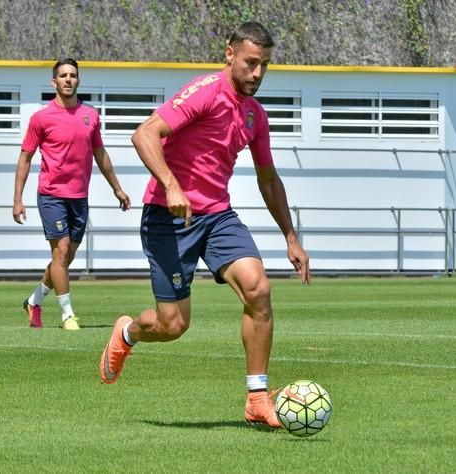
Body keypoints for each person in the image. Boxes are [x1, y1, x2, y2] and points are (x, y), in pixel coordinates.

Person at [99, 22, 310, 428]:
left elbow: (268, 178)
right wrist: (172, 186)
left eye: (265, 65)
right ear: (229, 54)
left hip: (217, 217)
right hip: (168, 217)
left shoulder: (254, 115)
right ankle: (127, 333)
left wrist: (291, 236)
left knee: (258, 288)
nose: (258, 74)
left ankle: (257, 398)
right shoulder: (205, 92)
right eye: (251, 63)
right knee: (172, 325)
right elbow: (144, 134)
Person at [13, 58, 131, 330]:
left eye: (73, 75)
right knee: (61, 252)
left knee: (65, 259)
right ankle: (68, 314)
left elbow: (100, 153)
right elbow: (25, 158)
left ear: (78, 80)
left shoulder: (90, 115)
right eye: (63, 76)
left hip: (80, 197)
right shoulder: (41, 118)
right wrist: (18, 199)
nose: (68, 79)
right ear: (54, 82)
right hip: (52, 195)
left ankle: (34, 301)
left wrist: (117, 188)